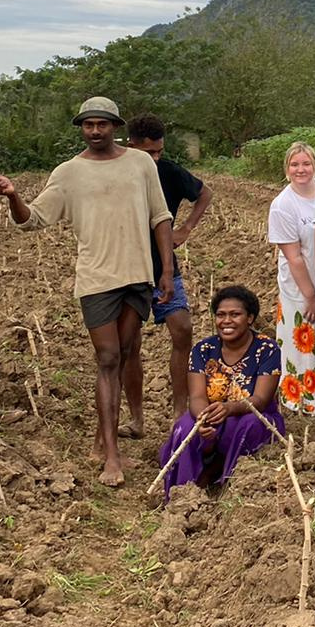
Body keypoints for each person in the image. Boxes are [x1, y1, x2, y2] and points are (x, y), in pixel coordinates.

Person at [0, 96, 173, 487]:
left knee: (124, 354)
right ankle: (111, 456)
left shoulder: (140, 163)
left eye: (102, 124)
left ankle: (101, 442)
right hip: (96, 279)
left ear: (115, 127)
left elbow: (160, 217)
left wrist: (167, 271)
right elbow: (33, 219)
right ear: (82, 129)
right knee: (107, 357)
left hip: (137, 275)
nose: (95, 131)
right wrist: (13, 196)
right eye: (88, 125)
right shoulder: (68, 172)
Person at [156, 285, 284, 500]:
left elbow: (261, 400)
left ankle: (228, 483)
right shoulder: (203, 350)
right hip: (212, 414)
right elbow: (197, 396)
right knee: (186, 427)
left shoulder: (267, 349)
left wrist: (230, 408)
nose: (226, 321)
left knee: (247, 425)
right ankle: (182, 494)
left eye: (235, 315)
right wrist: (203, 419)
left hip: (251, 414)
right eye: (221, 315)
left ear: (250, 318)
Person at [127, 113, 211, 420]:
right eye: (149, 152)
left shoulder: (169, 172)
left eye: (159, 151)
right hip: (128, 270)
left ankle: (180, 412)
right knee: (129, 343)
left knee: (183, 329)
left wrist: (186, 228)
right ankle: (137, 418)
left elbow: (204, 193)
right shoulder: (118, 174)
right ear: (131, 146)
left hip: (164, 266)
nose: (155, 158)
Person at [266, 140, 315, 419]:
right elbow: (294, 257)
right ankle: (308, 407)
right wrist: (310, 296)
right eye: (294, 164)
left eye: (306, 163)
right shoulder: (282, 205)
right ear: (287, 169)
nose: (301, 169)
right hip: (300, 287)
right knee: (308, 345)